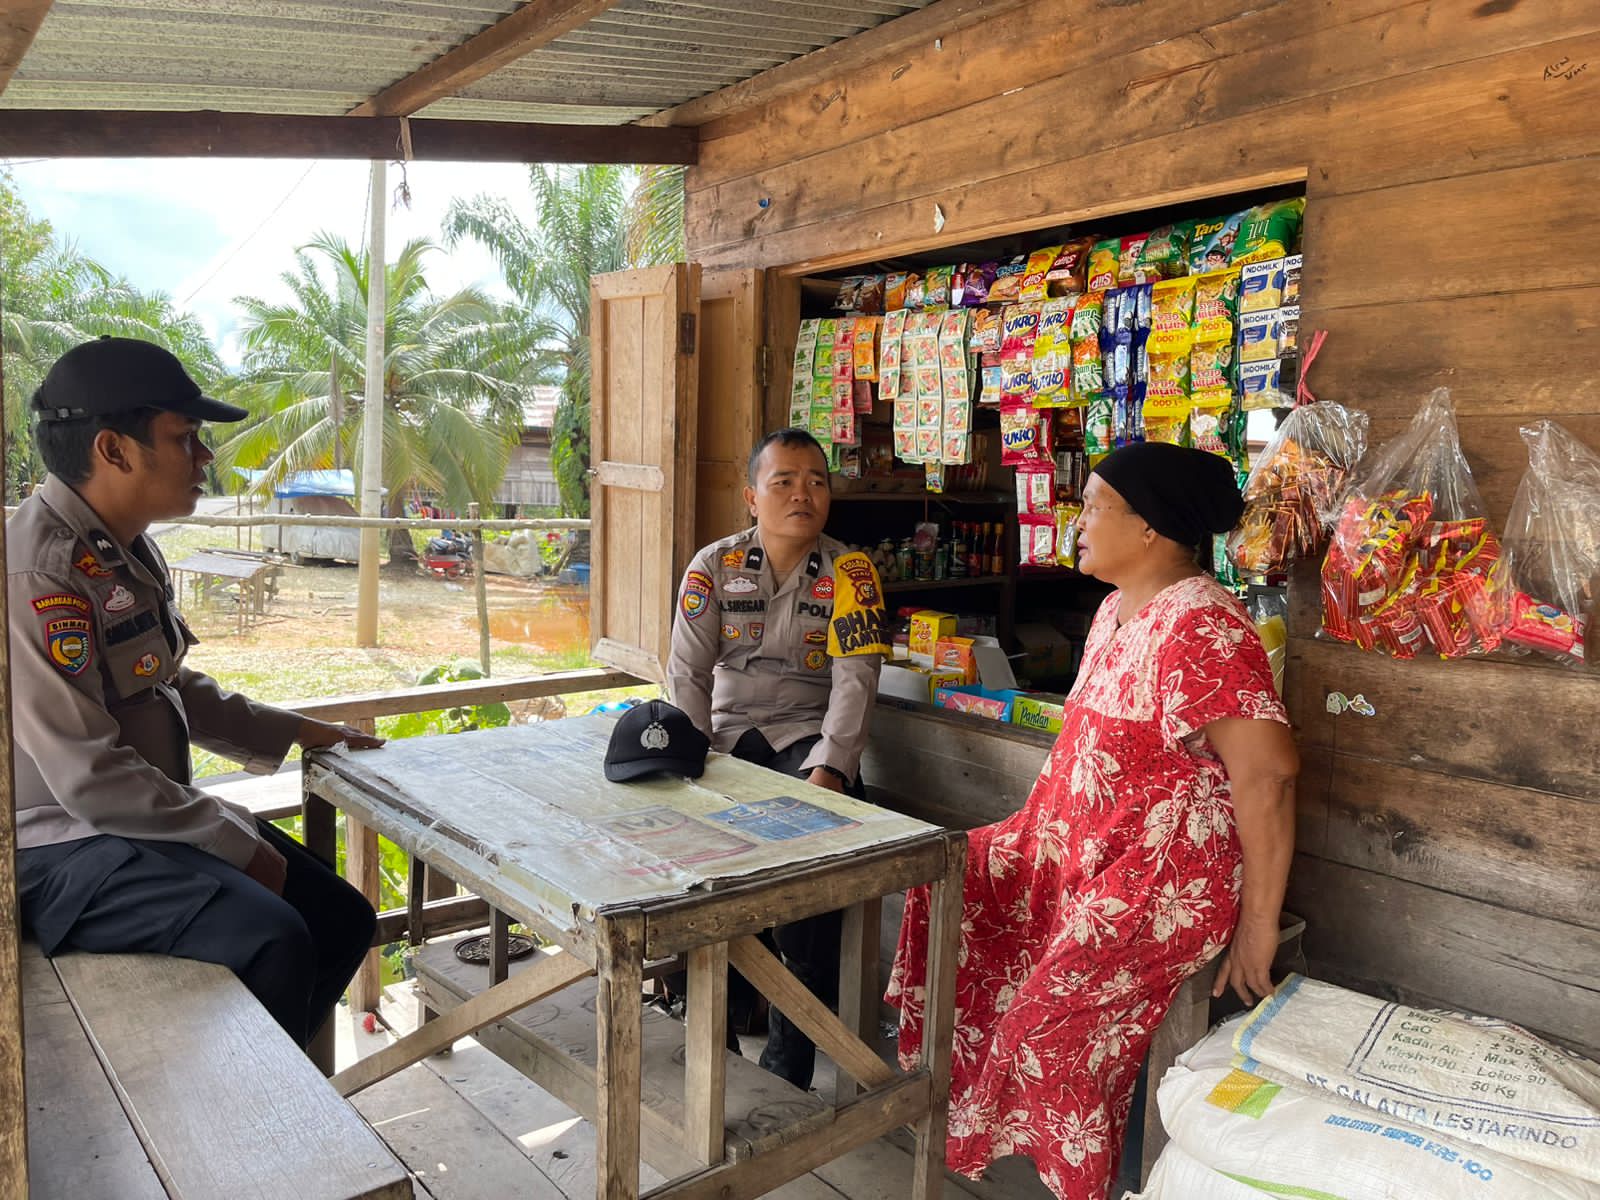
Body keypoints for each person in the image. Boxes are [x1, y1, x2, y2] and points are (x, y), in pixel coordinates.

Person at [888, 442, 1299, 1199]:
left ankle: (1077, 1177)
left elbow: (1267, 776)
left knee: (1044, 1024)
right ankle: (958, 1104)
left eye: (1094, 507)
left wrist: (1257, 925)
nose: (1077, 522)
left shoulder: (1204, 625)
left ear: (1150, 527)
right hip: (1075, 846)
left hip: (1159, 877)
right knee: (944, 878)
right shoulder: (1114, 609)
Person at [9, 336, 383, 1050]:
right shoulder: (42, 573)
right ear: (114, 450)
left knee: (343, 920)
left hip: (130, 821)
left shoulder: (123, 547)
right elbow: (88, 776)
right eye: (185, 437)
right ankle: (244, 1103)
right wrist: (231, 840)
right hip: (59, 843)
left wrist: (299, 730)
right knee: (274, 939)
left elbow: (163, 683)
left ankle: (274, 1085)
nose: (205, 456)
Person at [667, 427, 889, 1089]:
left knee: (815, 877)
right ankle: (716, 1026)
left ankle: (792, 1049)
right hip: (727, 741)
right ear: (751, 497)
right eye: (784, 482)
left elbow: (856, 679)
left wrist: (832, 769)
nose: (802, 494)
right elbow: (688, 674)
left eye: (816, 481)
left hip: (807, 742)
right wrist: (692, 758)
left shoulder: (852, 573)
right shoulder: (714, 566)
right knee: (701, 870)